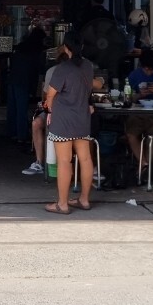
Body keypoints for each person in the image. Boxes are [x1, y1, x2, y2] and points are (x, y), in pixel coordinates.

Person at [42, 35, 95, 214]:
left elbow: (50, 95)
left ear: (65, 48)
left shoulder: (62, 68)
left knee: (64, 161)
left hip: (63, 120)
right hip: (82, 119)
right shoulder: (88, 66)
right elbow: (89, 88)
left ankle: (62, 204)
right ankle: (84, 200)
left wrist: (48, 109)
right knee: (86, 159)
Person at [6, 27, 47, 146]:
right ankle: (21, 136)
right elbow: (37, 70)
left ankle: (12, 133)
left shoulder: (21, 46)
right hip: (23, 81)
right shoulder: (36, 51)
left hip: (12, 79)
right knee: (21, 109)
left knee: (13, 109)